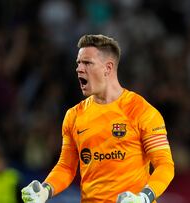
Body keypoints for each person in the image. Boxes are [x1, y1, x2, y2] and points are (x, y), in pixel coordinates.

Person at [21, 34, 175, 203]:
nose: (79, 69)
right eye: (78, 63)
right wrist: (45, 190)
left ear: (108, 68)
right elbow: (66, 167)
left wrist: (144, 197)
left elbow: (164, 165)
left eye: (87, 63)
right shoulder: (74, 115)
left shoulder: (141, 111)